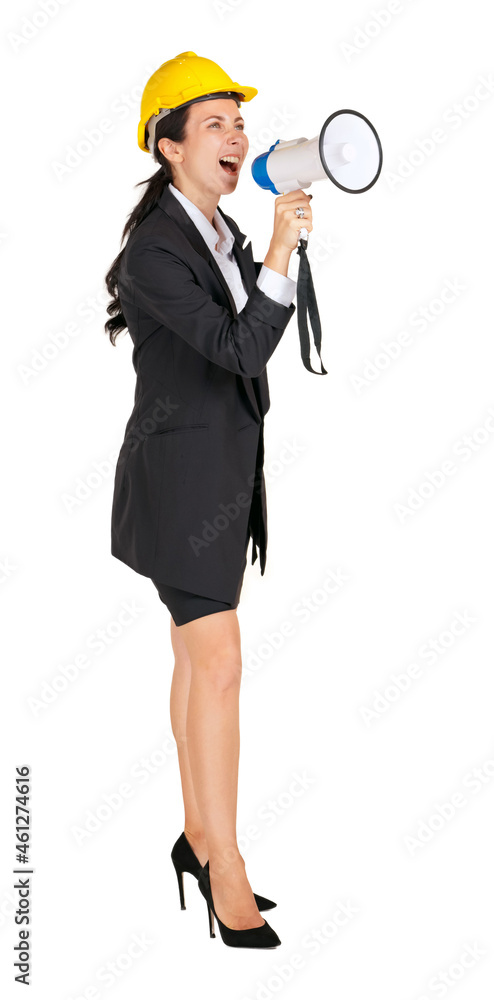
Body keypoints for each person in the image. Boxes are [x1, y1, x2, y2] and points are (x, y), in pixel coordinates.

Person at [104, 52, 313, 949]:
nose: (237, 136)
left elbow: (247, 333)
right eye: (216, 123)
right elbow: (239, 350)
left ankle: (197, 837)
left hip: (215, 480)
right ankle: (224, 863)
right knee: (219, 664)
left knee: (197, 664)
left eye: (240, 122)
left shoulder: (217, 233)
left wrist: (271, 250)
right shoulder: (156, 250)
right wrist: (280, 252)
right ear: (169, 145)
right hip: (182, 489)